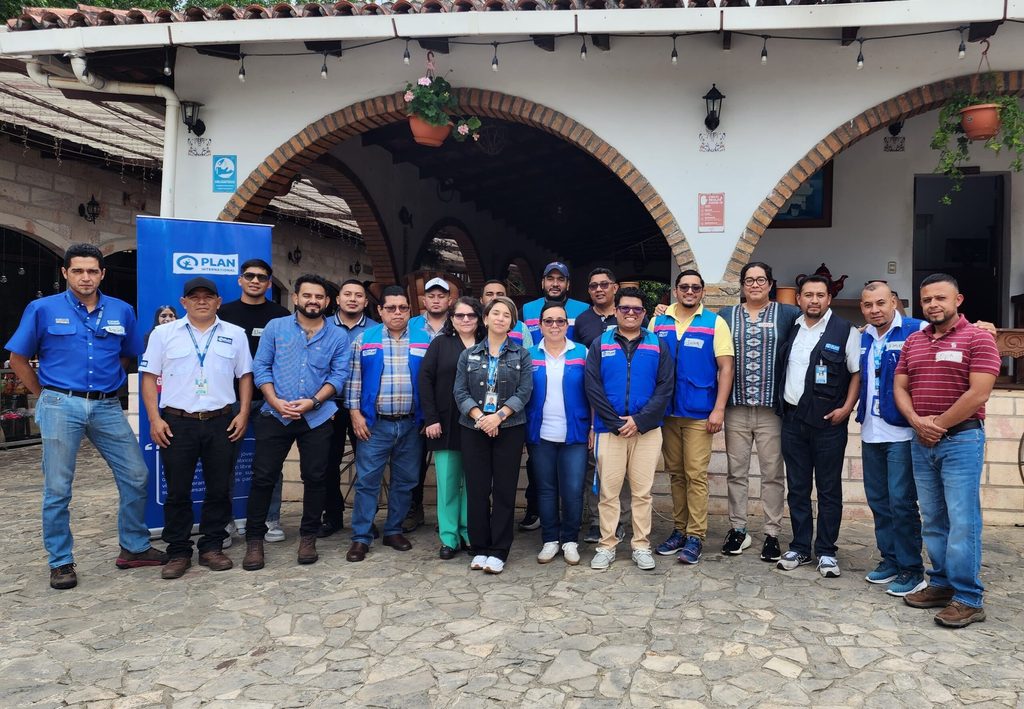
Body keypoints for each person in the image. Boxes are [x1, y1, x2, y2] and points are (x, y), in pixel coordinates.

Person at [6, 243, 166, 590]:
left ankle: (134, 547)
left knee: (137, 474)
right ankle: (61, 561)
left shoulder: (121, 311)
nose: (85, 277)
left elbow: (128, 356)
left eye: (92, 271)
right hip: (61, 404)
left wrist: (109, 385)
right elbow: (18, 358)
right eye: (77, 270)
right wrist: (44, 395)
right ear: (65, 273)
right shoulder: (42, 309)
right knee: (58, 488)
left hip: (107, 406)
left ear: (102, 274)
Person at [894, 273, 1000, 628]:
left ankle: (968, 597)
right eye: (927, 300)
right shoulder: (914, 341)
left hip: (961, 441)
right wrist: (915, 421)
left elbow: (978, 393)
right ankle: (940, 583)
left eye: (940, 298)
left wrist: (936, 425)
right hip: (922, 441)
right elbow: (900, 385)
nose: (933, 305)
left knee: (962, 520)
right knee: (934, 518)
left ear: (959, 300)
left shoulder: (979, 338)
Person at [140, 277, 254, 579]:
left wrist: (243, 413)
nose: (201, 301)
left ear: (218, 301)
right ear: (184, 302)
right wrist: (155, 418)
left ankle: (211, 546)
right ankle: (178, 551)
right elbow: (149, 378)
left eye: (208, 296)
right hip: (177, 422)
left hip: (221, 421)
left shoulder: (235, 334)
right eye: (195, 297)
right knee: (177, 490)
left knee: (219, 489)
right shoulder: (163, 334)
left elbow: (245, 376)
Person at [241, 274, 351, 571]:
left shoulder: (338, 336)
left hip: (316, 416)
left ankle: (308, 536)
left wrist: (313, 402)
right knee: (263, 477)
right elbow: (260, 366)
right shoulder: (276, 328)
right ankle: (255, 541)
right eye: (307, 296)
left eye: (319, 297)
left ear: (327, 302)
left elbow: (338, 377)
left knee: (316, 478)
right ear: (296, 298)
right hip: (275, 414)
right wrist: (274, 400)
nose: (313, 301)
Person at [776, 275, 861, 578]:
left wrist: (847, 408)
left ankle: (826, 550)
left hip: (828, 423)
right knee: (797, 488)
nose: (814, 300)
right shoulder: (792, 327)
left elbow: (856, 373)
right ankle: (800, 546)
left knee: (828, 489)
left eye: (820, 295)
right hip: (793, 420)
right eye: (808, 295)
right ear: (798, 298)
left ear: (829, 299)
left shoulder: (846, 330)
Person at [716, 262, 800, 562]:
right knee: (736, 473)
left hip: (771, 410)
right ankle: (738, 529)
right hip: (736, 408)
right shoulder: (726, 316)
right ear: (741, 285)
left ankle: (772, 533)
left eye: (760, 279)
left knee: (772, 474)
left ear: (770, 283)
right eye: (749, 280)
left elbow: (815, 330)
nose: (754, 285)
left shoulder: (789, 314)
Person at [586, 287, 674, 572]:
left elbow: (665, 388)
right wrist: (615, 422)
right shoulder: (600, 344)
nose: (631, 313)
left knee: (642, 492)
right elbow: (592, 387)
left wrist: (639, 420)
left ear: (644, 314)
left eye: (637, 309)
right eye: (625, 309)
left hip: (646, 431)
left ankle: (641, 545)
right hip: (608, 431)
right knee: (609, 493)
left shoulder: (657, 345)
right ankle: (607, 545)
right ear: (617, 311)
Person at [652, 270, 735, 565]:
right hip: (667, 412)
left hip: (700, 412)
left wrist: (719, 408)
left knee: (695, 474)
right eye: (684, 287)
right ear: (676, 290)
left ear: (702, 292)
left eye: (695, 288)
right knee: (675, 473)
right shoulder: (658, 321)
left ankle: (695, 536)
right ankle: (679, 529)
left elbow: (726, 368)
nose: (690, 291)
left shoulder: (715, 323)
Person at [857, 280, 928, 597]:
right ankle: (890, 560)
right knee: (879, 501)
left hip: (901, 432)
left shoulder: (918, 330)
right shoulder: (864, 336)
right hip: (871, 431)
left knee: (901, 502)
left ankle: (912, 569)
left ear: (894, 302)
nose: (875, 310)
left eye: (881, 303)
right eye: (869, 305)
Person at [345, 286, 424, 562]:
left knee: (405, 481)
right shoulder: (364, 340)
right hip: (374, 425)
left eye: (403, 308)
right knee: (368, 481)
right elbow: (353, 380)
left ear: (409, 310)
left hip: (411, 424)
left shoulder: (424, 340)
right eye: (391, 308)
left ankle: (393, 530)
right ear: (380, 310)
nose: (397, 313)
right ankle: (361, 537)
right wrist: (354, 413)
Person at [454, 296, 533, 574]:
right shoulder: (469, 354)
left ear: (512, 323)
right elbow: (460, 392)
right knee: (476, 490)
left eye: (506, 315)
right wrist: (480, 418)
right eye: (495, 313)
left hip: (509, 428)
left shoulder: (521, 354)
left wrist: (498, 417)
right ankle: (480, 547)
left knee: (503, 489)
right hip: (473, 428)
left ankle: (499, 550)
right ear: (485, 319)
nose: (500, 318)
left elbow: (524, 391)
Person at [218, 259, 291, 546]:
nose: (255, 281)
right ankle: (224, 524)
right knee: (224, 463)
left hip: (272, 401)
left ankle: (270, 519)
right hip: (230, 400)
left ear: (269, 283)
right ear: (240, 280)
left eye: (262, 277)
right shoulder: (223, 314)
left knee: (270, 464)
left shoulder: (281, 315)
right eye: (249, 276)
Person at [520, 263, 588, 531]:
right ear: (543, 282)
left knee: (572, 488)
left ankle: (570, 536)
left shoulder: (581, 314)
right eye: (551, 279)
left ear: (568, 284)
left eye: (561, 279)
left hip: (574, 423)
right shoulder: (527, 311)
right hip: (540, 424)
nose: (556, 283)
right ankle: (546, 531)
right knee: (542, 484)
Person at [526, 302, 590, 566]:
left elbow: (594, 392)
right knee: (546, 489)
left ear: (567, 324)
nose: (554, 326)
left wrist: (595, 427)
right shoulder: (527, 355)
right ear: (540, 325)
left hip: (575, 433)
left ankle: (570, 540)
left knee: (573, 489)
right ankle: (550, 540)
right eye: (549, 321)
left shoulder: (582, 353)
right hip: (540, 434)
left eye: (560, 321)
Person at [419, 296, 484, 559]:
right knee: (447, 483)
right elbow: (425, 379)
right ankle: (448, 537)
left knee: (473, 483)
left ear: (479, 319)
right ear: (452, 318)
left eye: (471, 315)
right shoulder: (440, 344)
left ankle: (469, 533)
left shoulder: (487, 344)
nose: (465, 320)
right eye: (460, 316)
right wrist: (430, 418)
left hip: (478, 424)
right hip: (444, 424)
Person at [317, 278, 378, 538]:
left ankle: (366, 519)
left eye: (359, 295)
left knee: (368, 465)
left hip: (363, 409)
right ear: (337, 299)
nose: (353, 299)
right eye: (347, 294)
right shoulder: (322, 326)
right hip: (327, 406)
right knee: (327, 464)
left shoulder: (376, 330)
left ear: (366, 301)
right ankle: (332, 515)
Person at [574, 268, 630, 545]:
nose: (599, 289)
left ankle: (622, 521)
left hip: (626, 407)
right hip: (592, 407)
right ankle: (597, 521)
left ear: (615, 287)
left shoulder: (628, 315)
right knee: (596, 466)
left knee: (625, 469)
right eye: (594, 285)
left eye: (605, 285)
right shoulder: (582, 321)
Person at [404, 277, 451, 533]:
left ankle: (450, 513)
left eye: (441, 296)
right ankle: (414, 508)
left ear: (449, 300)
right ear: (423, 300)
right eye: (431, 296)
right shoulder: (410, 326)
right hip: (415, 406)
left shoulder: (458, 324)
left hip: (447, 406)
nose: (435, 300)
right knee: (414, 462)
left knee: (450, 464)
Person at [481, 279, 533, 348]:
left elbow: (529, 355)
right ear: (481, 300)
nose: (495, 298)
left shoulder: (521, 327)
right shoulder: (473, 325)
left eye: (500, 294)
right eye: (489, 294)